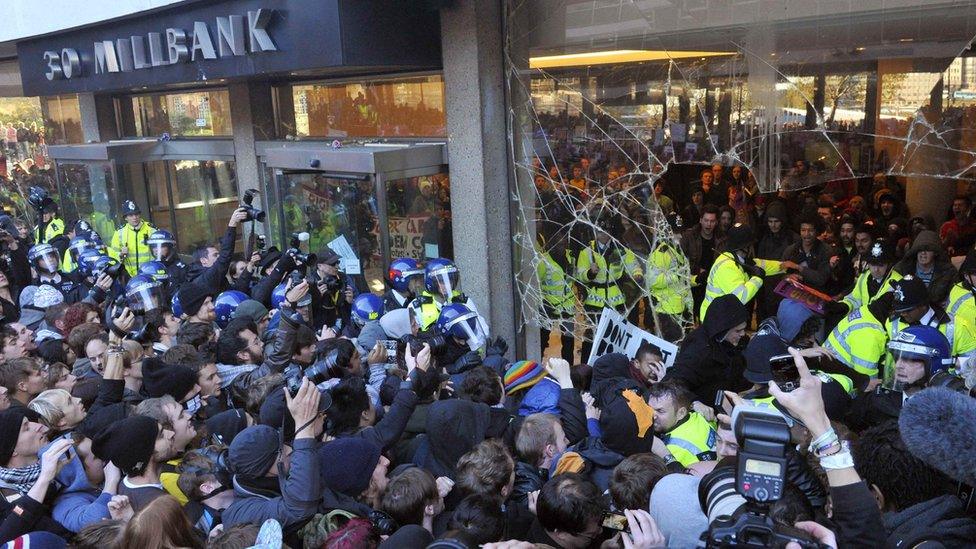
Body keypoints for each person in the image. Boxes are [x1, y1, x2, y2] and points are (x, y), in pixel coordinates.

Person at [700, 223, 796, 321]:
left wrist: (783, 266)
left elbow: (761, 265)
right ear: (745, 247)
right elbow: (741, 297)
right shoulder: (727, 267)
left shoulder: (739, 259)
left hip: (723, 316)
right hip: (714, 320)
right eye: (751, 245)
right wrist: (757, 279)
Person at [646, 381, 717, 467]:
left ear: (681, 413)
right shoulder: (701, 416)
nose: (652, 416)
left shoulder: (672, 449)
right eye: (649, 409)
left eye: (660, 411)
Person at [536, 230, 575, 363]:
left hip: (567, 307)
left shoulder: (570, 258)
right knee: (542, 340)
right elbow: (535, 284)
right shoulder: (543, 261)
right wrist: (541, 302)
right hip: (549, 307)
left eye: (564, 244)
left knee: (569, 343)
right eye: (558, 244)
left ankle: (569, 370)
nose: (561, 247)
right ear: (552, 244)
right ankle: (537, 367)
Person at [680, 204, 723, 319]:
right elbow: (680, 259)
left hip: (712, 283)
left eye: (712, 221)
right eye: (706, 220)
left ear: (717, 222)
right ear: (700, 220)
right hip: (693, 282)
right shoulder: (689, 236)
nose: (708, 224)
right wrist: (697, 269)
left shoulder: (721, 239)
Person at [893, 230, 956, 305]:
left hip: (937, 314)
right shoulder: (902, 268)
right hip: (906, 312)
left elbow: (953, 298)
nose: (923, 253)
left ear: (936, 252)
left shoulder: (948, 272)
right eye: (919, 250)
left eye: (928, 249)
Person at [110, 200, 157, 278]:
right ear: (125, 218)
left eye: (136, 214)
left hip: (150, 274)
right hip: (128, 276)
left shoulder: (151, 229)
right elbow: (113, 254)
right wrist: (121, 254)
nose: (134, 217)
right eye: (131, 215)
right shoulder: (119, 232)